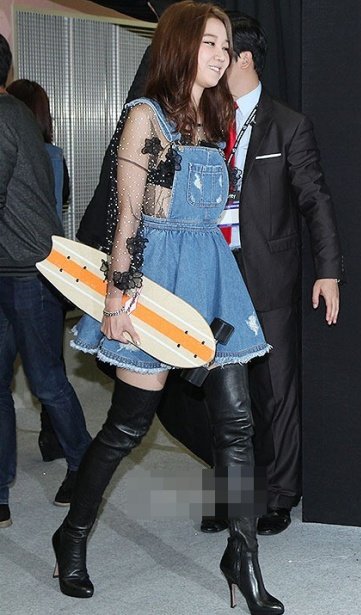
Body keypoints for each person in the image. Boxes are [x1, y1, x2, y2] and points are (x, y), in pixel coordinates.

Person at [51, 3, 284, 613]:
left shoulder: (215, 116)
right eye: (210, 43)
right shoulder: (144, 117)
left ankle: (243, 557)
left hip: (212, 279)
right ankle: (72, 533)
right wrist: (116, 300)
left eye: (226, 45)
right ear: (181, 45)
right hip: (154, 285)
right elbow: (127, 217)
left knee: (236, 424)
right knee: (128, 426)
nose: (221, 55)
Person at [206, 11, 343, 536]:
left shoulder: (288, 124)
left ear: (243, 58)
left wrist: (328, 270)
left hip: (267, 272)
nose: (213, 60)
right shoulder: (203, 121)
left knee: (276, 387)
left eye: (221, 50)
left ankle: (282, 494)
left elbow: (316, 202)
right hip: (215, 271)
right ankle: (230, 495)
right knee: (222, 385)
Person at [0, 35, 92, 529]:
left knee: (46, 380)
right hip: (10, 267)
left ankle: (84, 464)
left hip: (28, 271)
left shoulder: (4, 115)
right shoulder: (16, 114)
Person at [6, 78, 70, 464]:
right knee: (51, 364)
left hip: (19, 265)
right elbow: (61, 203)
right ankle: (54, 439)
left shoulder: (18, 153)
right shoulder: (55, 155)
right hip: (53, 264)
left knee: (35, 367)